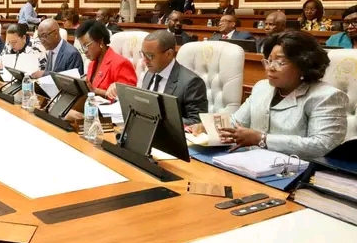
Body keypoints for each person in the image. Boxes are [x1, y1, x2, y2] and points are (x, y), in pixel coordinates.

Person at [200, 31, 347, 160]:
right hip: (252, 164)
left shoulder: (326, 96)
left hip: (297, 173)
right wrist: (206, 127)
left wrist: (262, 139)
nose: (271, 68)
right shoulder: (262, 87)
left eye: (281, 62)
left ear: (304, 65)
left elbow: (323, 146)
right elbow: (237, 122)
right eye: (269, 61)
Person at [108, 30, 207, 125]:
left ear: (168, 54)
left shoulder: (192, 82)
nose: (144, 60)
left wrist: (159, 120)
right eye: (143, 54)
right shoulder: (149, 73)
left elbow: (197, 121)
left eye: (150, 55)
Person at [76, 20, 136, 98]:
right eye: (82, 47)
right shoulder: (91, 64)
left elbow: (126, 99)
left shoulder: (121, 64)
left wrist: (95, 91)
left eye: (86, 46)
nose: (84, 51)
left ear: (100, 41)